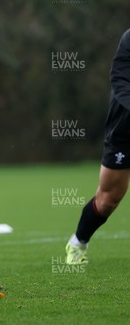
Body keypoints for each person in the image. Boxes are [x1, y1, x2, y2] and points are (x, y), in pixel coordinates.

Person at [66, 28, 130, 264]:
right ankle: (78, 242)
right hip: (125, 127)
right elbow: (120, 80)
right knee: (108, 200)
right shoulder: (129, 38)